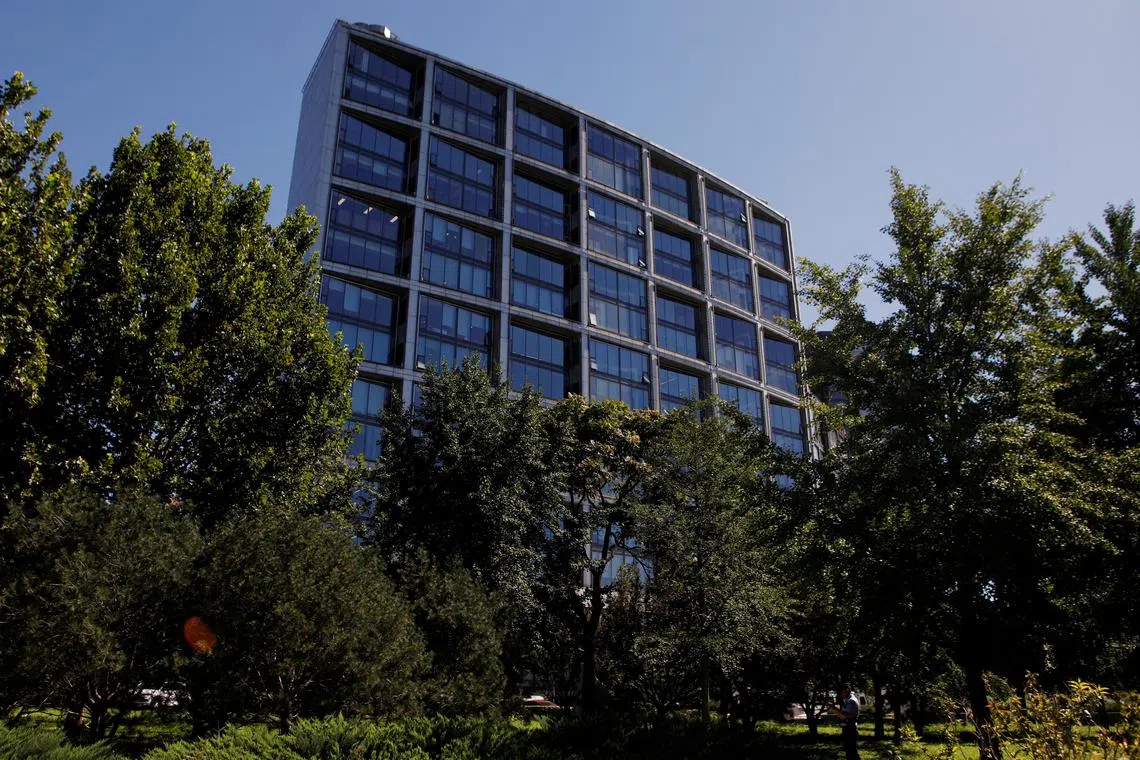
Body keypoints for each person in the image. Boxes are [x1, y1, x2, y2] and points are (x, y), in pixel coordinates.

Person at [831, 686, 860, 760]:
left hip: (850, 729)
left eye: (842, 692)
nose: (841, 694)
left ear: (847, 691)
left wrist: (835, 709)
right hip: (848, 728)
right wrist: (837, 711)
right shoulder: (847, 700)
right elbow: (842, 715)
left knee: (851, 752)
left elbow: (847, 715)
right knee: (849, 751)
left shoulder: (851, 701)